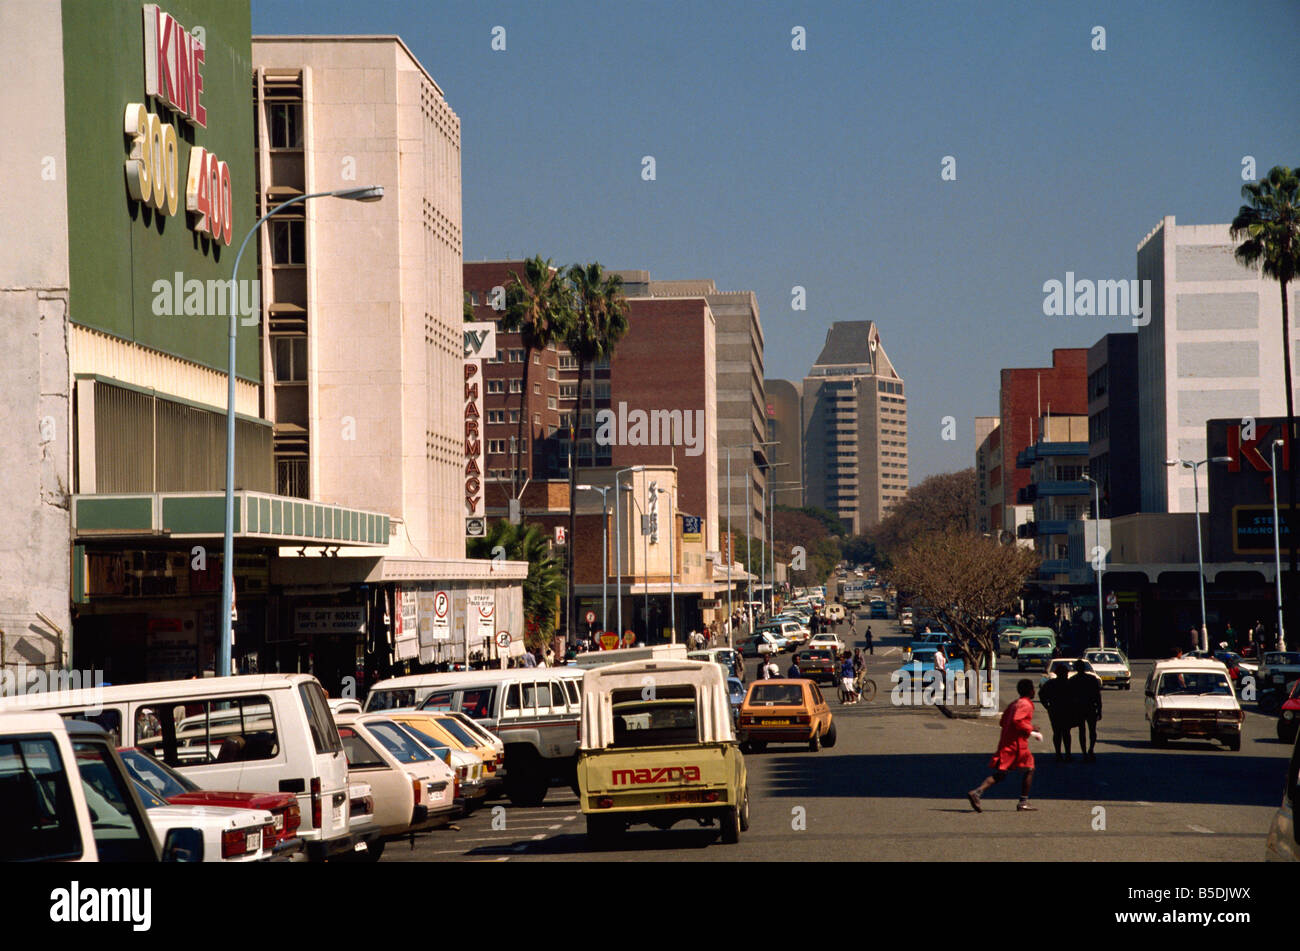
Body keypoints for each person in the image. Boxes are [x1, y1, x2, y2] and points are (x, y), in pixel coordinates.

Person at [968, 679, 1043, 812]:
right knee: (1030, 769)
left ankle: (977, 792)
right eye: (1033, 689)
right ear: (1030, 691)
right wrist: (1031, 728)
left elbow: (1003, 722)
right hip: (1017, 745)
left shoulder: (1014, 704)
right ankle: (1023, 802)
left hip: (1007, 742)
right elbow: (1017, 721)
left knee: (1002, 773)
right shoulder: (1026, 704)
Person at [1037, 669, 1075, 762]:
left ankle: (1059, 754)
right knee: (1065, 732)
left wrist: (1047, 705)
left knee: (1057, 732)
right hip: (1066, 710)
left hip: (1055, 710)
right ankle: (1067, 754)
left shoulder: (1051, 683)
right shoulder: (1069, 684)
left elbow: (1041, 694)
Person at [1069, 660, 1103, 761]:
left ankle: (1084, 752)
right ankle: (1091, 749)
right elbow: (1098, 695)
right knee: (1092, 730)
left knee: (1082, 731)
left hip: (1079, 708)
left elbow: (1070, 697)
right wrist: (1099, 709)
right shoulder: (1091, 679)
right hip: (1090, 707)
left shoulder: (1072, 680)